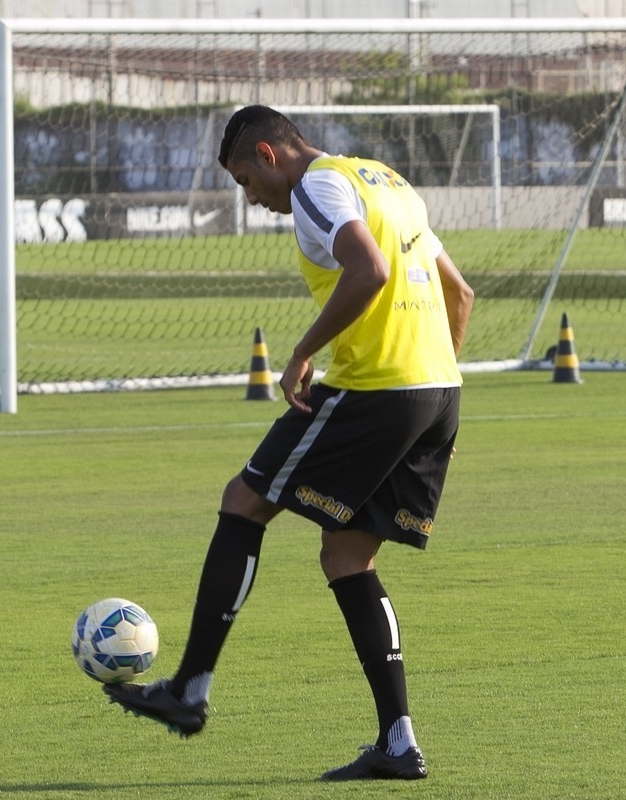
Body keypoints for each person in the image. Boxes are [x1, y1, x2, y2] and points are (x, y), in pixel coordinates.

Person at [104, 104, 475, 782]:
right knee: (346, 555)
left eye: (246, 180)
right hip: (438, 392)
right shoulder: (386, 181)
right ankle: (398, 743)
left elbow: (369, 270)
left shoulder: (315, 188)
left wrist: (302, 352)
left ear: (268, 155)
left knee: (244, 501)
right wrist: (432, 397)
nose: (251, 198)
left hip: (377, 388)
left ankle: (189, 689)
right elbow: (461, 293)